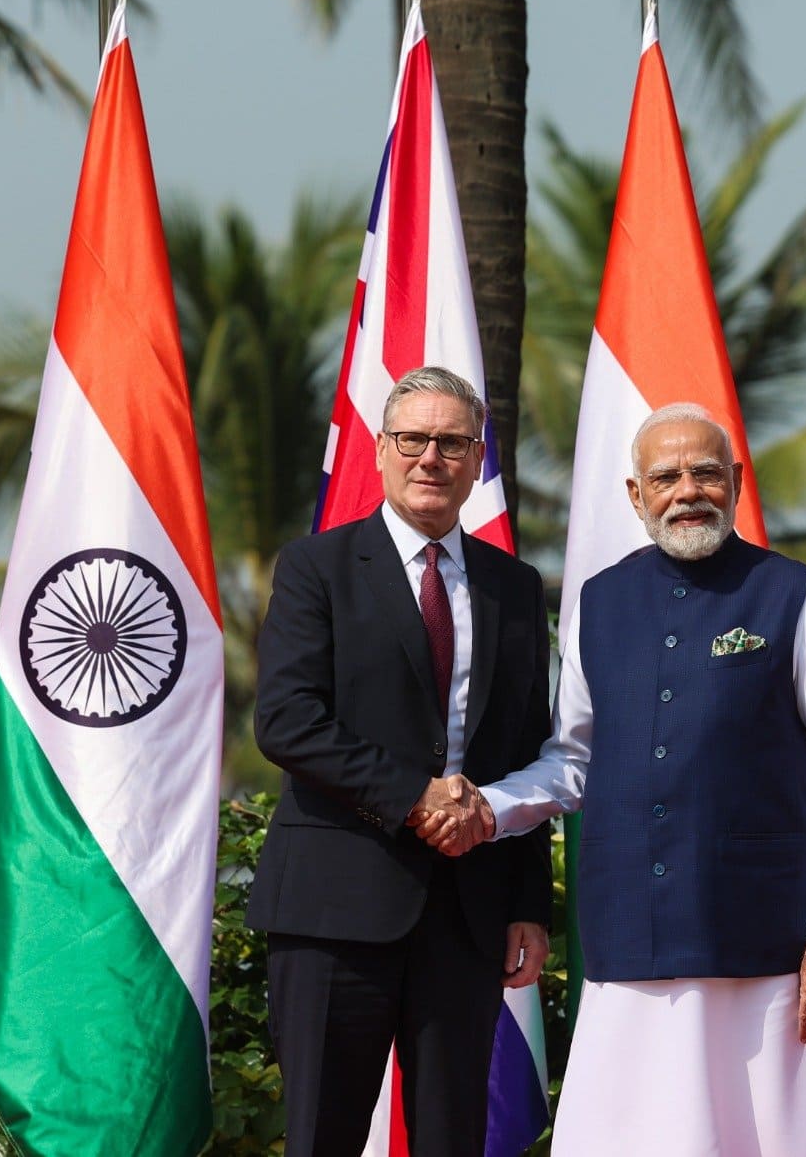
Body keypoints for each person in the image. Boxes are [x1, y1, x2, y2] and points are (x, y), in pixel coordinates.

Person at [421, 402, 806, 1156]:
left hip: (762, 943)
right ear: (636, 496)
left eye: (706, 472)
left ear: (735, 483)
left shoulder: (797, 597)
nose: (687, 490)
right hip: (626, 939)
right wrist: (488, 807)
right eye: (665, 476)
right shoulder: (595, 603)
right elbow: (572, 760)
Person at [247, 366, 553, 1157]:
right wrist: (415, 795)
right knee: (323, 1138)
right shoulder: (316, 567)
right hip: (333, 909)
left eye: (451, 442)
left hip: (469, 913)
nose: (430, 458)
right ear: (380, 450)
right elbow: (285, 722)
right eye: (412, 439)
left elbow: (524, 746)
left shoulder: (514, 587)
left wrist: (529, 904)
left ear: (477, 457)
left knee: (455, 1139)